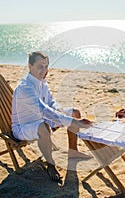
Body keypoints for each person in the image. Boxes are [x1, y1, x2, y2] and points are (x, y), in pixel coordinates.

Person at [12, 51, 92, 181]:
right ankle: (51, 164)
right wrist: (73, 122)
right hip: (24, 127)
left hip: (42, 120)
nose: (44, 70)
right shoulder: (25, 87)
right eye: (40, 67)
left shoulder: (42, 82)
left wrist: (64, 113)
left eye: (46, 66)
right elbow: (43, 110)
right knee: (44, 127)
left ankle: (73, 151)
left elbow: (51, 103)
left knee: (75, 112)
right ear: (30, 66)